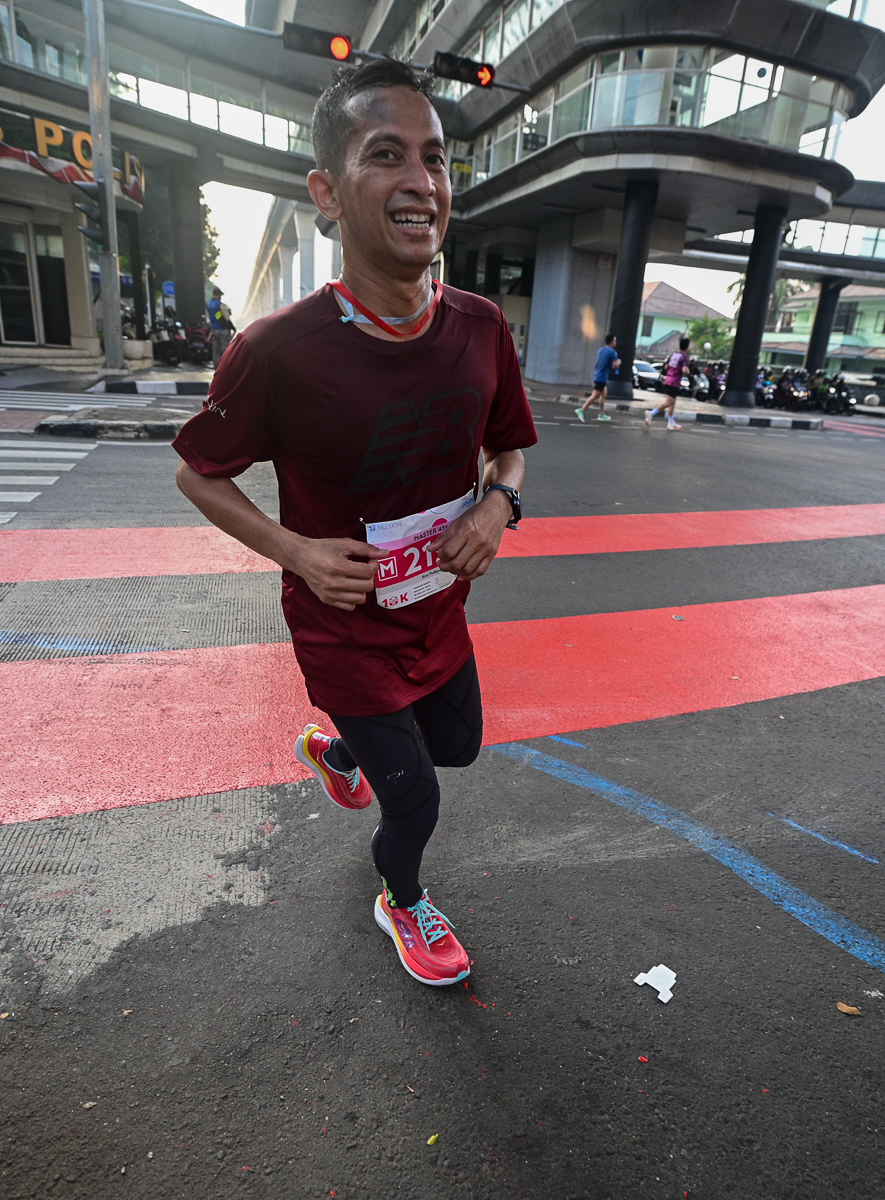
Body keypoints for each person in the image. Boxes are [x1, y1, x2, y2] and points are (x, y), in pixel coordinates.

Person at [172, 59, 535, 986]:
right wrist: (294, 551)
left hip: (436, 611)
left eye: (435, 159)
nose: (422, 182)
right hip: (341, 626)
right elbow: (197, 472)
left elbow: (509, 451)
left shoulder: (483, 329)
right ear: (327, 192)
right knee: (413, 799)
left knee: (456, 747)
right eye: (386, 156)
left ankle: (337, 750)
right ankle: (402, 900)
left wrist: (498, 505)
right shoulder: (275, 351)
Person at [648, 335, 691, 430]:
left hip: (668, 380)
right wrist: (688, 371)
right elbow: (684, 370)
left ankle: (671, 423)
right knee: (668, 403)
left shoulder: (674, 354)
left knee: (672, 403)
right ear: (687, 347)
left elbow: (666, 367)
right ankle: (651, 413)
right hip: (674, 382)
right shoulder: (685, 357)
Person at [577, 333, 617, 422]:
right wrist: (618, 363)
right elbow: (615, 366)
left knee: (603, 394)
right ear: (612, 342)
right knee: (595, 395)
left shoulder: (601, 350)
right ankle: (582, 410)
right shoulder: (613, 352)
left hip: (597, 374)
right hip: (602, 377)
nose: (616, 342)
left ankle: (601, 414)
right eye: (615, 340)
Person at [205, 286, 235, 365]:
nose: (221, 297)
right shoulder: (220, 304)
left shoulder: (208, 304)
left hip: (214, 329)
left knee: (216, 350)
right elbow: (226, 317)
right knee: (225, 348)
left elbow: (209, 317)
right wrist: (228, 312)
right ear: (218, 295)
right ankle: (226, 365)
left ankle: (216, 365)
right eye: (220, 295)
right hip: (223, 329)